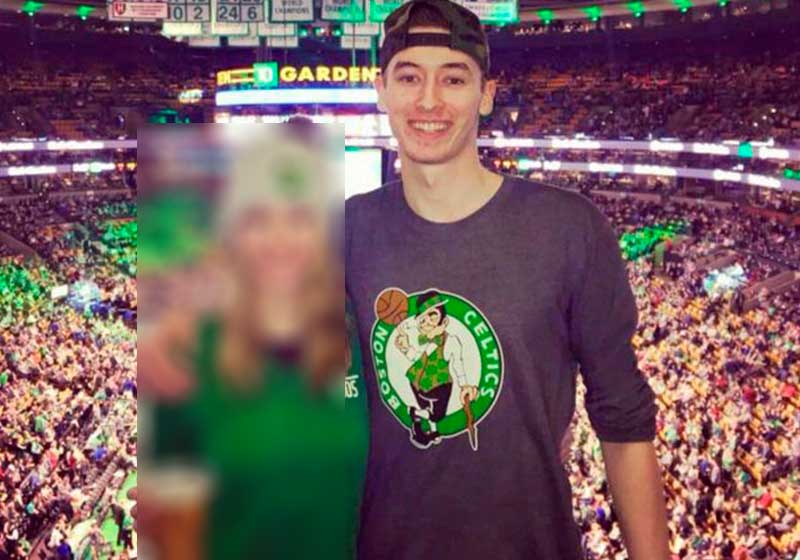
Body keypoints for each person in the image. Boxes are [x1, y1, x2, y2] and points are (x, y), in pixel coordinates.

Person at [344, 0, 670, 558]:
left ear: (486, 94)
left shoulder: (569, 229)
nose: (429, 101)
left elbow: (625, 425)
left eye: (453, 79)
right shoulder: (343, 231)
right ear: (382, 90)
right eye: (409, 77)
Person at [134, 120, 369, 559]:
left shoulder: (353, 321)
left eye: (299, 217)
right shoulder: (186, 353)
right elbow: (173, 529)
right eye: (259, 218)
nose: (281, 240)